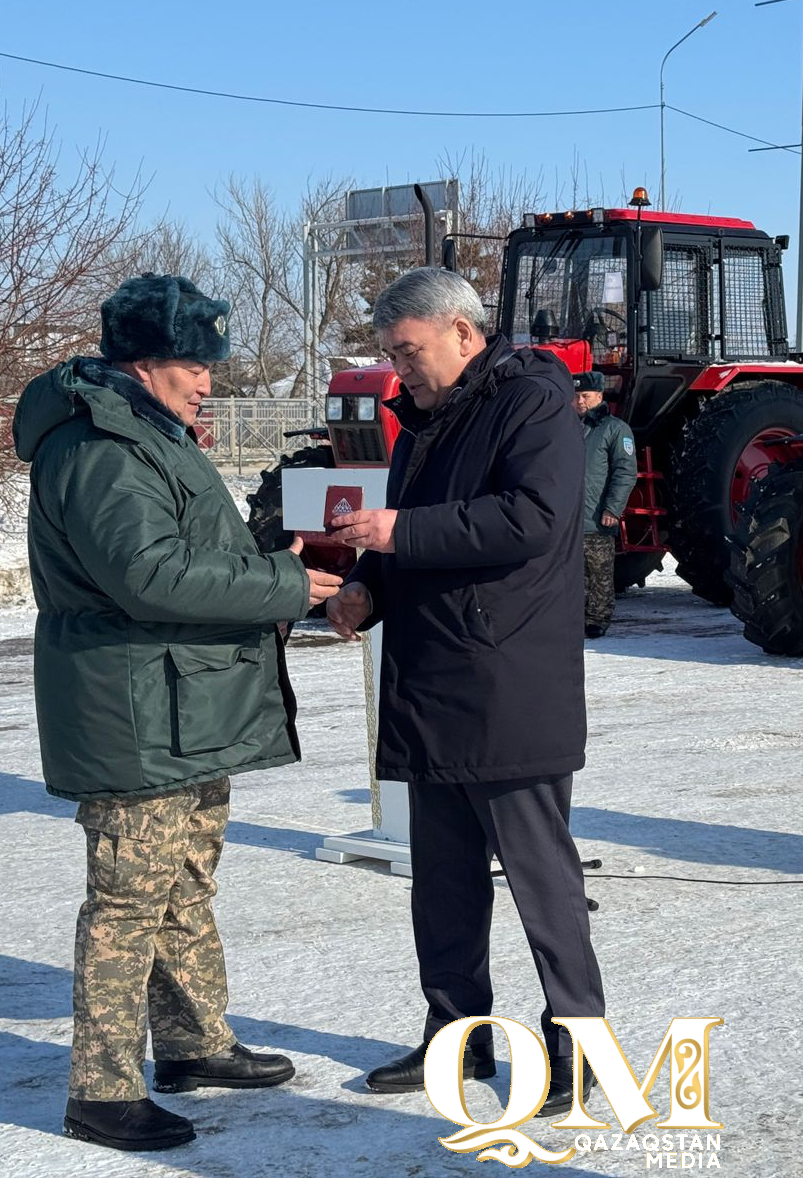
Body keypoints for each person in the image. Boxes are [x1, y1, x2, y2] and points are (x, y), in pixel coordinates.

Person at [12, 273, 342, 1151]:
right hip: (136, 707)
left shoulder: (150, 433)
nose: (207, 383)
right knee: (126, 898)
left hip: (181, 700)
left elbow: (183, 551)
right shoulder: (102, 449)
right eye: (194, 364)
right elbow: (146, 574)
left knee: (185, 879)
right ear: (145, 362)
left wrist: (269, 558)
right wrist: (280, 584)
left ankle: (195, 1044)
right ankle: (103, 1089)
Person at [326, 267, 605, 1114]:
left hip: (507, 679)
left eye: (407, 352)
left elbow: (534, 518)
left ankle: (578, 1049)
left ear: (462, 331)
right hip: (432, 678)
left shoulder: (532, 404)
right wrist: (368, 583)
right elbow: (407, 518)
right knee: (441, 879)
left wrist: (398, 532)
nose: (398, 369)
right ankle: (458, 1036)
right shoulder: (424, 421)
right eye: (389, 355)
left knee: (539, 877)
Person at [575, 371, 636, 638]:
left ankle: (597, 619)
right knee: (573, 574)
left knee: (598, 571)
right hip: (570, 517)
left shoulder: (615, 429)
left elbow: (625, 472)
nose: (580, 401)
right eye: (575, 396)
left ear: (599, 396)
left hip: (597, 515)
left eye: (585, 396)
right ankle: (574, 618)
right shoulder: (566, 427)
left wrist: (613, 508)